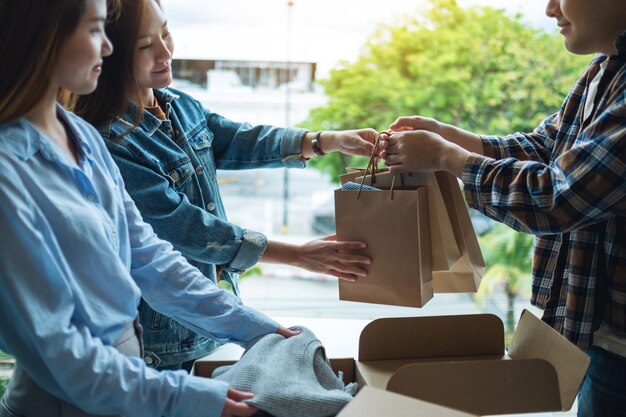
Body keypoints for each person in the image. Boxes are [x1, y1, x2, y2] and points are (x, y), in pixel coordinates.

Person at [0, 1, 298, 416]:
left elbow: (149, 257)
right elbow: (58, 350)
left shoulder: (82, 136)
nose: (107, 48)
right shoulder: (8, 173)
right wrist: (187, 398)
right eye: (92, 31)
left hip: (127, 392)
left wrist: (258, 327)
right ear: (41, 40)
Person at [73, 0, 375, 373]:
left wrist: (325, 140)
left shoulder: (179, 105)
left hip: (211, 323)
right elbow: (188, 229)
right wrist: (299, 255)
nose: (166, 52)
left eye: (166, 33)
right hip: (163, 341)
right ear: (109, 54)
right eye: (145, 45)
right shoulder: (110, 142)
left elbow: (239, 139)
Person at [378, 0, 626, 416]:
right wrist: (452, 138)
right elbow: (546, 147)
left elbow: (557, 199)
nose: (550, 9)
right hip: (602, 337)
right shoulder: (606, 70)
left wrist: (448, 157)